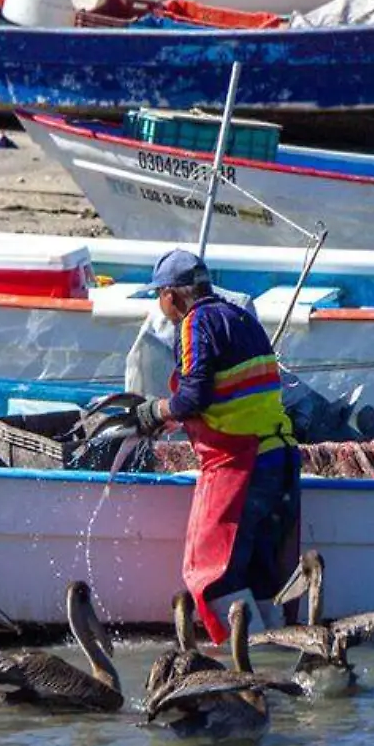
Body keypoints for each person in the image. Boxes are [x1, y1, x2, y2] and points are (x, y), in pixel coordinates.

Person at [129, 250, 299, 644]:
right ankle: (276, 657)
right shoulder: (243, 319)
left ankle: (245, 671)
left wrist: (153, 412)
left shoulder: (194, 323)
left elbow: (194, 398)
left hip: (242, 464)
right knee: (261, 574)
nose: (161, 304)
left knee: (214, 573)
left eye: (160, 295)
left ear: (173, 294)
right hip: (280, 457)